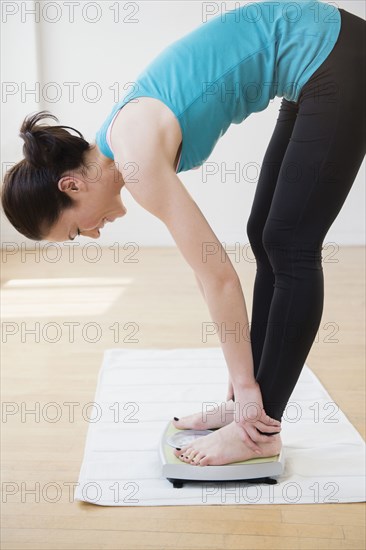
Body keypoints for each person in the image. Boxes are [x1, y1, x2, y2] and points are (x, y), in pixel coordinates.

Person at [2, 1, 365, 467]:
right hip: (317, 58)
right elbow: (205, 270)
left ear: (71, 185)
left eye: (75, 230)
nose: (91, 235)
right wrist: (241, 381)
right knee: (265, 233)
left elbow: (218, 278)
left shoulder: (133, 157)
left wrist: (247, 383)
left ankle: (257, 430)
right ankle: (245, 409)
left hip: (333, 53)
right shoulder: (118, 139)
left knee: (290, 245)